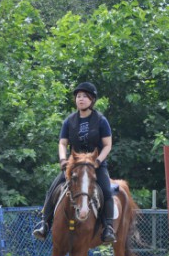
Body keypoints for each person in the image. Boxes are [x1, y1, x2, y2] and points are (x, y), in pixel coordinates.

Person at [33, 82, 116, 244]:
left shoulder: (101, 120)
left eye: (85, 96)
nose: (81, 99)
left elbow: (108, 145)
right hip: (75, 165)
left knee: (106, 190)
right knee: (52, 190)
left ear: (92, 100)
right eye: (78, 96)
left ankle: (108, 227)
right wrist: (63, 160)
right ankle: (44, 224)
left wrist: (98, 161)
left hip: (95, 165)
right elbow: (62, 143)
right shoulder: (69, 121)